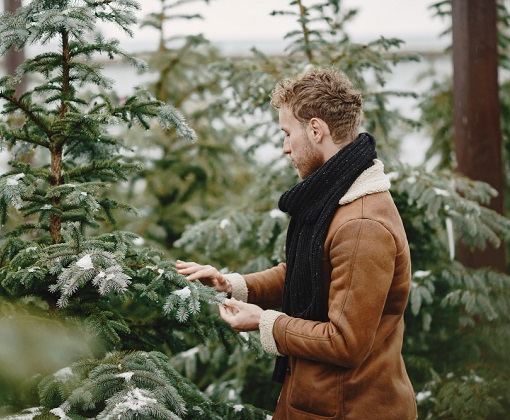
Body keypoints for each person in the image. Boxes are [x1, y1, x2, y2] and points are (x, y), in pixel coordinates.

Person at [176, 67, 417, 419]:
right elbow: (310, 274)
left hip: (348, 410)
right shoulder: (336, 197)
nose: (285, 147)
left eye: (288, 133)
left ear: (316, 130)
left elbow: (345, 342)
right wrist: (232, 285)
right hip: (320, 403)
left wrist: (265, 323)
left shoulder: (362, 226)